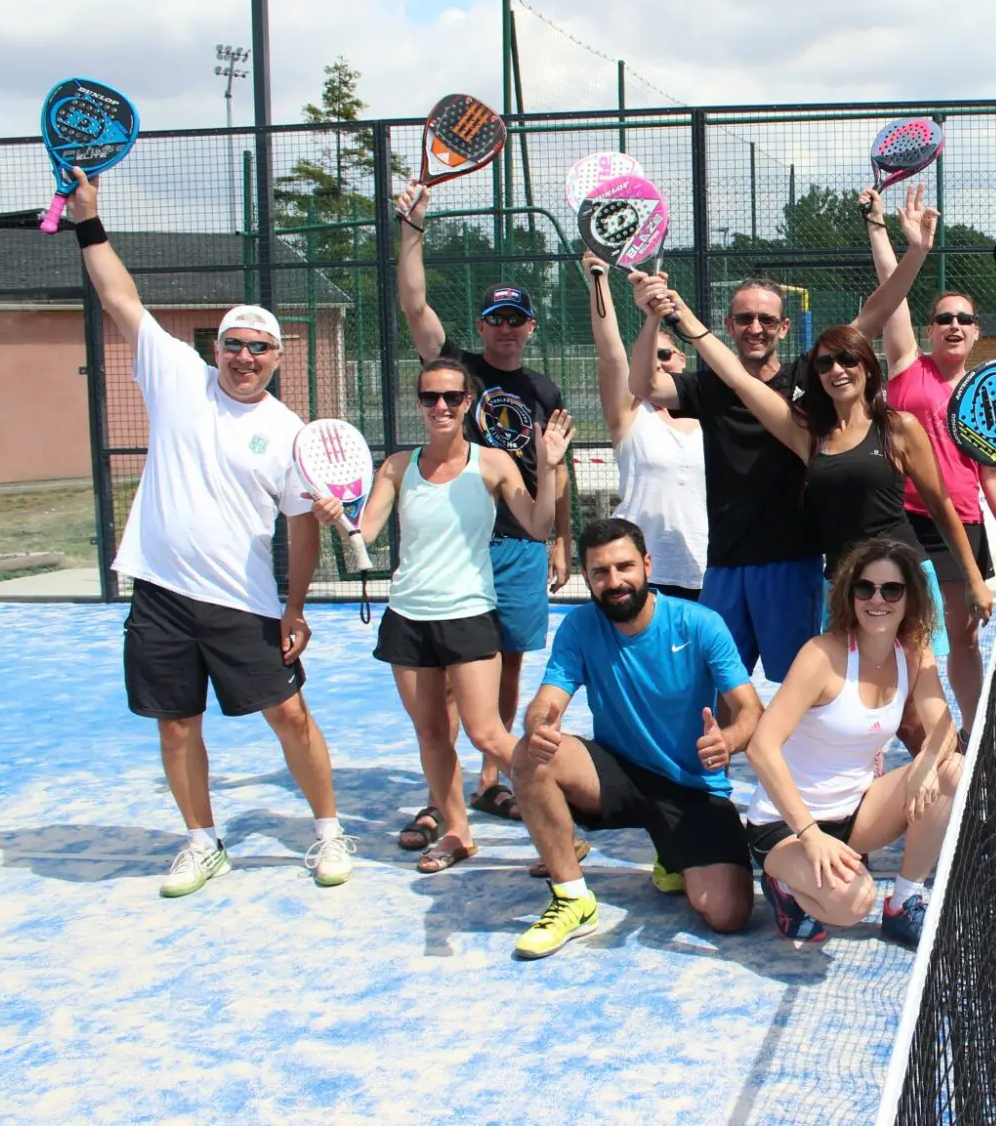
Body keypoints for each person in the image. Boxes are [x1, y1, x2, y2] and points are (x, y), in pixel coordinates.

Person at [64, 167, 352, 897]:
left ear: (278, 358)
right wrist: (87, 218)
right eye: (234, 344)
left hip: (244, 604)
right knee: (176, 724)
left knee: (290, 715)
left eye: (260, 347)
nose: (245, 356)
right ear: (216, 347)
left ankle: (327, 830)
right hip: (160, 593)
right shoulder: (174, 374)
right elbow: (118, 295)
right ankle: (202, 840)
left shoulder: (289, 433)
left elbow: (300, 530)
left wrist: (295, 607)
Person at [626, 228, 933, 682]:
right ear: (728, 326)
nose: (755, 328)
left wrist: (917, 252)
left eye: (767, 320)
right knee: (714, 684)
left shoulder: (812, 376)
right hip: (726, 561)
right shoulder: (709, 385)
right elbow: (644, 386)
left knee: (801, 684)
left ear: (783, 327)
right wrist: (652, 316)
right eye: (745, 318)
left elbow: (877, 311)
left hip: (792, 561)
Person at [311, 360, 572, 872]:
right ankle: (457, 832)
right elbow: (364, 536)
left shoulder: (494, 463)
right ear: (418, 404)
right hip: (408, 617)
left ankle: (563, 822)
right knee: (432, 735)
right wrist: (337, 520)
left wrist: (549, 464)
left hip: (470, 614)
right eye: (430, 398)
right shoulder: (397, 466)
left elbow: (539, 527)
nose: (442, 407)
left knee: (488, 735)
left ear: (469, 402)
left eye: (452, 397)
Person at [643, 282, 992, 648]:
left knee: (920, 695)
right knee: (855, 697)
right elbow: (737, 379)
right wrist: (683, 316)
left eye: (848, 360)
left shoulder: (899, 426)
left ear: (868, 368)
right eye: (825, 363)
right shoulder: (806, 434)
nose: (837, 370)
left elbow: (940, 505)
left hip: (904, 576)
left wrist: (973, 577)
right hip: (843, 584)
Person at [395, 180, 570, 821]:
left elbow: (557, 467)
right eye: (494, 319)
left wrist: (560, 538)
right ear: (480, 327)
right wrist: (412, 229)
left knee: (509, 664)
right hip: (457, 542)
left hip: (521, 540)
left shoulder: (543, 387)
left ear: (529, 325)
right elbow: (414, 305)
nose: (504, 329)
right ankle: (440, 798)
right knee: (441, 678)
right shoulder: (457, 372)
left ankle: (494, 779)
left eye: (514, 318)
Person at [509, 519, 765, 958]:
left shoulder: (699, 623)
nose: (614, 581)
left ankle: (672, 853)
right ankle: (573, 899)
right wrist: (539, 724)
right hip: (619, 773)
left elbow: (750, 710)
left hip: (691, 786)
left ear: (646, 564)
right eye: (600, 572)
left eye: (624, 567)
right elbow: (545, 702)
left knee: (728, 914)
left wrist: (730, 740)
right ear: (586, 577)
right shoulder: (578, 627)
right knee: (531, 754)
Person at [743, 538, 964, 949]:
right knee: (852, 902)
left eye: (891, 589)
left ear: (910, 597)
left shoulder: (915, 651)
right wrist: (809, 834)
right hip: (787, 825)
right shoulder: (821, 656)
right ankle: (784, 886)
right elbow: (761, 746)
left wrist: (925, 765)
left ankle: (903, 903)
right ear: (850, 594)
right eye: (866, 588)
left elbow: (944, 728)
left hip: (854, 813)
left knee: (954, 770)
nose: (877, 599)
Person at [864, 184, 996, 723]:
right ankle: (911, 731)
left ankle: (973, 731)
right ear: (929, 329)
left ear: (977, 333)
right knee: (904, 636)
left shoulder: (984, 393)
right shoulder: (907, 363)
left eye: (964, 319)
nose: (954, 325)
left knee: (962, 637)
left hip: (962, 522)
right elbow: (892, 290)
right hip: (902, 519)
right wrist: (882, 231)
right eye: (944, 318)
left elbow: (988, 466)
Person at [580, 249, 706, 600]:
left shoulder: (711, 417)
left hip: (707, 570)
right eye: (649, 356)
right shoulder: (631, 416)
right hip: (640, 574)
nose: (658, 364)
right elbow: (611, 352)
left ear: (683, 359)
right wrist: (599, 277)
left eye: (665, 355)